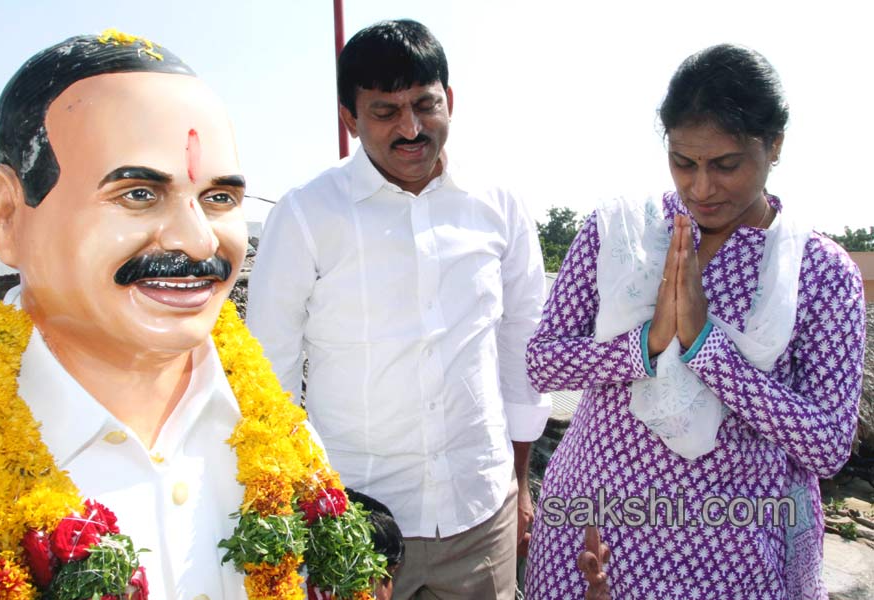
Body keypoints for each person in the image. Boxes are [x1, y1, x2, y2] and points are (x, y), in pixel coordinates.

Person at [0, 31, 373, 600]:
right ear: (7, 215)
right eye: (138, 193)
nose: (197, 239)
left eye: (219, 199)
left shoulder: (286, 441)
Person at [523, 44, 865, 599]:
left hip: (725, 552)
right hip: (592, 531)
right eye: (684, 163)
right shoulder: (624, 234)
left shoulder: (819, 273)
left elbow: (827, 443)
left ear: (774, 145)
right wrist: (646, 345)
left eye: (725, 165)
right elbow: (543, 363)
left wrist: (708, 347)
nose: (701, 189)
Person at [247, 19, 549, 600]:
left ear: (450, 100)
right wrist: (298, 511)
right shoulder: (308, 215)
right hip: (353, 521)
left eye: (424, 105)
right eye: (385, 112)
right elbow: (271, 374)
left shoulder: (499, 208)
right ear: (349, 118)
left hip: (480, 515)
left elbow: (521, 350)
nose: (411, 128)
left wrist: (519, 481)